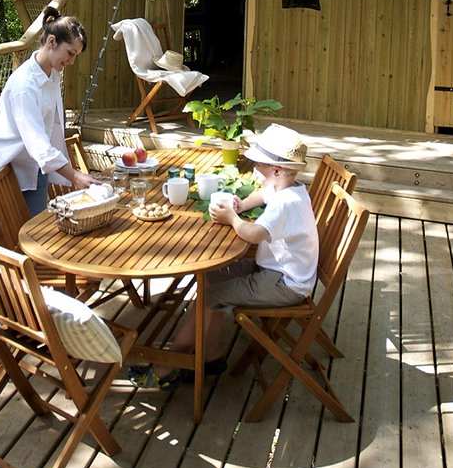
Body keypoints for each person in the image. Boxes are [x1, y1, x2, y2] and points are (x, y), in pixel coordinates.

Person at [129, 123, 318, 389]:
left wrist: (232, 218)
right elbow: (264, 193)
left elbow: (251, 235)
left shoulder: (286, 205)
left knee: (210, 296)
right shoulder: (290, 188)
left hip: (284, 284)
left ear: (276, 170)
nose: (255, 172)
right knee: (211, 275)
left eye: (259, 168)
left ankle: (167, 364)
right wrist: (243, 204)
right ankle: (211, 355)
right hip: (276, 271)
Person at [0, 6, 98, 239]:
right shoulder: (24, 85)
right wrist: (74, 176)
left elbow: (50, 131)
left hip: (32, 166)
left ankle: (27, 275)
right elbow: (37, 143)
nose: (71, 61)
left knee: (34, 234)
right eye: (70, 53)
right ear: (51, 42)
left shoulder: (52, 72)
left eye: (75, 56)